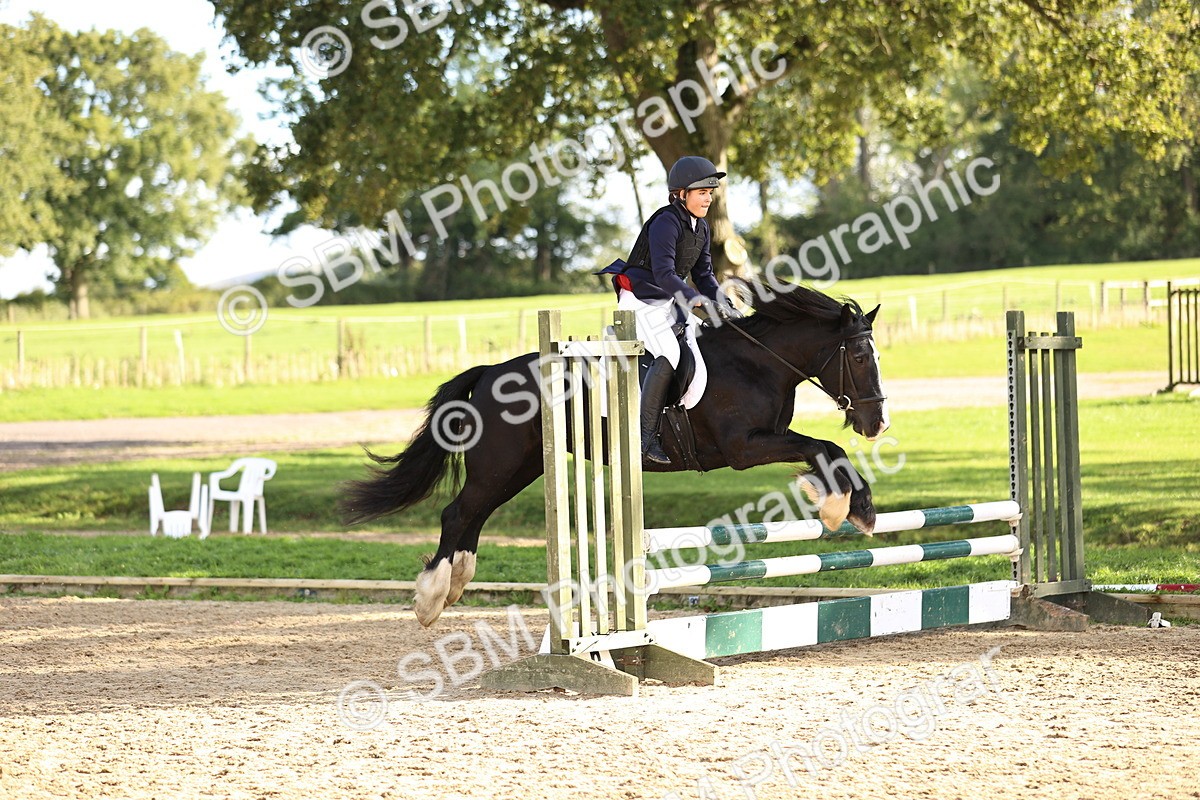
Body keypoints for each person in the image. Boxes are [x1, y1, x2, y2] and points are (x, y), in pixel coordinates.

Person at [598, 155, 743, 466]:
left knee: (699, 343)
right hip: (639, 298)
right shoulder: (665, 221)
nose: (709, 197)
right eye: (702, 192)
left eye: (711, 192)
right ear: (681, 194)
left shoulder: (701, 228)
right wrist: (695, 300)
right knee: (671, 353)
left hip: (668, 300)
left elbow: (704, 275)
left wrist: (724, 303)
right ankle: (645, 438)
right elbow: (664, 274)